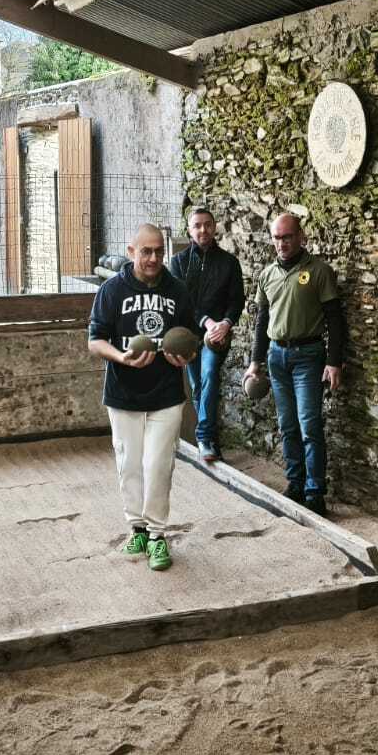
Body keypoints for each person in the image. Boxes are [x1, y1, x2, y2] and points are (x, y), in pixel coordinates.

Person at [87, 223, 195, 571]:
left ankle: (158, 535)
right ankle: (137, 528)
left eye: (159, 251)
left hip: (166, 394)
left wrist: (186, 356)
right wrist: (121, 357)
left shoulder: (177, 290)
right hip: (123, 394)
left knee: (158, 465)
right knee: (129, 465)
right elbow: (95, 340)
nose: (153, 258)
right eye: (145, 251)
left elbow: (190, 339)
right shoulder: (112, 290)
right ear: (131, 252)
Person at [243, 213, 346, 516]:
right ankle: (296, 483)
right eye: (277, 237)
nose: (282, 243)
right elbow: (262, 322)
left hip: (308, 356)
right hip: (277, 357)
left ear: (301, 237)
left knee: (309, 424)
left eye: (287, 237)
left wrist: (334, 361)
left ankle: (315, 492)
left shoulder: (319, 271)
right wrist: (255, 361)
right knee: (287, 425)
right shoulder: (267, 275)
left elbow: (335, 319)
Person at [168, 207, 245, 465]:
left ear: (214, 227)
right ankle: (212, 441)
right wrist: (207, 321)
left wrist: (225, 323)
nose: (203, 229)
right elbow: (183, 300)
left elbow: (237, 300)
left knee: (209, 374)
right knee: (199, 386)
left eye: (208, 224)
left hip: (217, 336)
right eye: (197, 225)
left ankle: (204, 437)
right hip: (188, 335)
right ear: (189, 230)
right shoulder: (178, 263)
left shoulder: (229, 263)